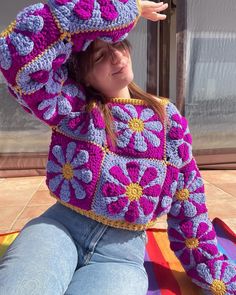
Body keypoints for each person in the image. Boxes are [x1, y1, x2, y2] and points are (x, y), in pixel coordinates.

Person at [0, 0, 235, 294]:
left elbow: (189, 203)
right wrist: (124, 10)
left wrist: (218, 275)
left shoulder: (168, 120)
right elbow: (17, 51)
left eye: (118, 44)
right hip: (58, 230)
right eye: (99, 55)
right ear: (83, 74)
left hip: (121, 255)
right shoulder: (71, 107)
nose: (116, 56)